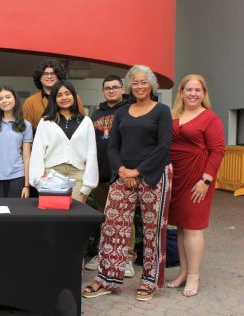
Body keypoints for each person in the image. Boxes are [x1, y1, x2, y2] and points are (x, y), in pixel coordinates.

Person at [83, 65, 172, 301]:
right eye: (135, 82)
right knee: (112, 226)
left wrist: (138, 171)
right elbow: (113, 146)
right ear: (129, 86)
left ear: (151, 85)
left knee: (153, 231)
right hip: (123, 175)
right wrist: (123, 170)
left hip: (153, 176)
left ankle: (149, 282)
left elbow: (164, 147)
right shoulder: (122, 112)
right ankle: (106, 280)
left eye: (144, 82)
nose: (140, 86)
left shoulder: (162, 111)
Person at [165, 74, 225, 297]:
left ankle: (194, 275)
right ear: (181, 92)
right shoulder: (174, 115)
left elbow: (218, 150)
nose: (193, 93)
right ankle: (183, 272)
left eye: (197, 90)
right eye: (188, 89)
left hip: (198, 178)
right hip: (177, 176)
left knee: (192, 227)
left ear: (204, 94)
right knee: (181, 227)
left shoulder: (210, 118)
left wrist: (206, 180)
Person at [85, 75, 136, 278]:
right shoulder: (96, 114)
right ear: (103, 90)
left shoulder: (130, 111)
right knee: (104, 217)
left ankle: (127, 259)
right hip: (101, 175)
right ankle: (104, 254)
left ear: (122, 89)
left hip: (122, 174)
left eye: (115, 87)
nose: (112, 91)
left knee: (125, 218)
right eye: (108, 88)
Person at [29, 80, 98, 202]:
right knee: (53, 216)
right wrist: (37, 181)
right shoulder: (45, 122)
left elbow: (92, 153)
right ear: (54, 99)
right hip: (51, 175)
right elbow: (37, 152)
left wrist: (88, 185)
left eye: (67, 93)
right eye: (59, 95)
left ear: (74, 96)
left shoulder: (86, 122)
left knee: (74, 216)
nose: (64, 97)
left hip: (77, 176)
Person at [0, 86, 33, 198]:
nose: (4, 101)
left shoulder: (26, 125)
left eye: (8, 97)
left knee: (15, 213)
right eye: (0, 99)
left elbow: (27, 156)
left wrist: (26, 185)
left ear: (15, 99)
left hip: (17, 176)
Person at [23, 59, 85, 131]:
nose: (49, 77)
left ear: (59, 77)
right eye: (45, 74)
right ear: (39, 78)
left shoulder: (75, 99)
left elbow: (82, 125)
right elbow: (26, 133)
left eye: (53, 73)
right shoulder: (30, 102)